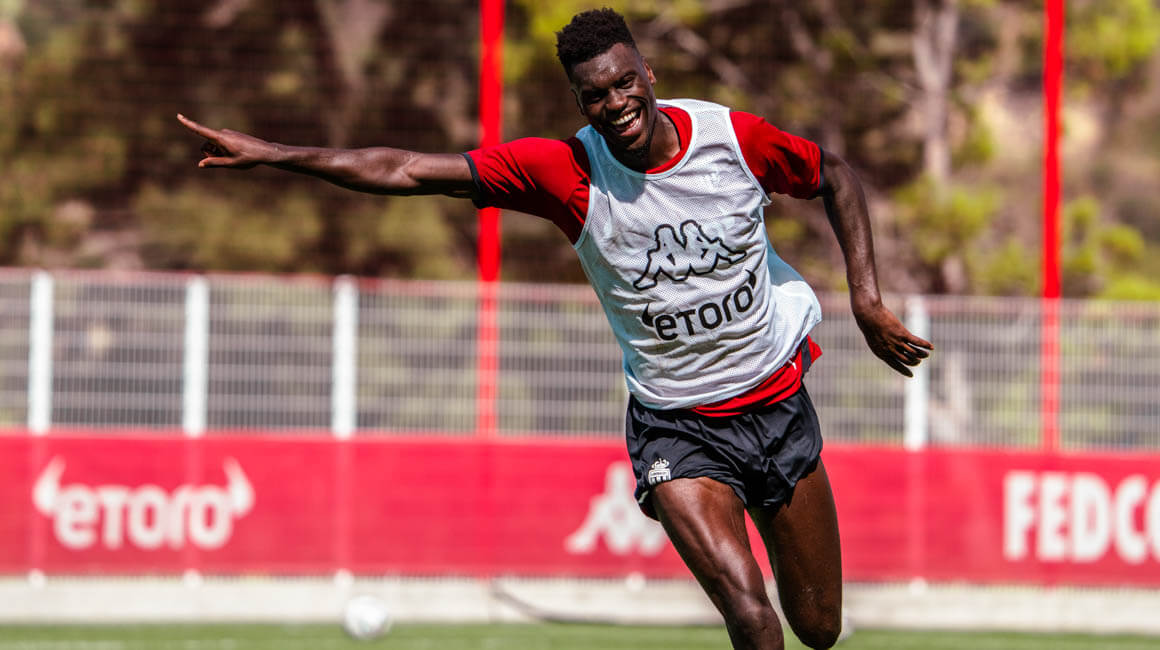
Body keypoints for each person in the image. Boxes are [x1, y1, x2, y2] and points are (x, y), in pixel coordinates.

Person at [179, 8, 931, 649]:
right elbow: (406, 168)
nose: (616, 104)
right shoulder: (566, 171)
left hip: (775, 400)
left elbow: (834, 175)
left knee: (818, 629)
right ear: (579, 100)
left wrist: (866, 300)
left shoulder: (732, 142)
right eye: (595, 95)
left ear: (649, 73)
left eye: (625, 83)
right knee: (750, 613)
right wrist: (275, 155)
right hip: (677, 427)